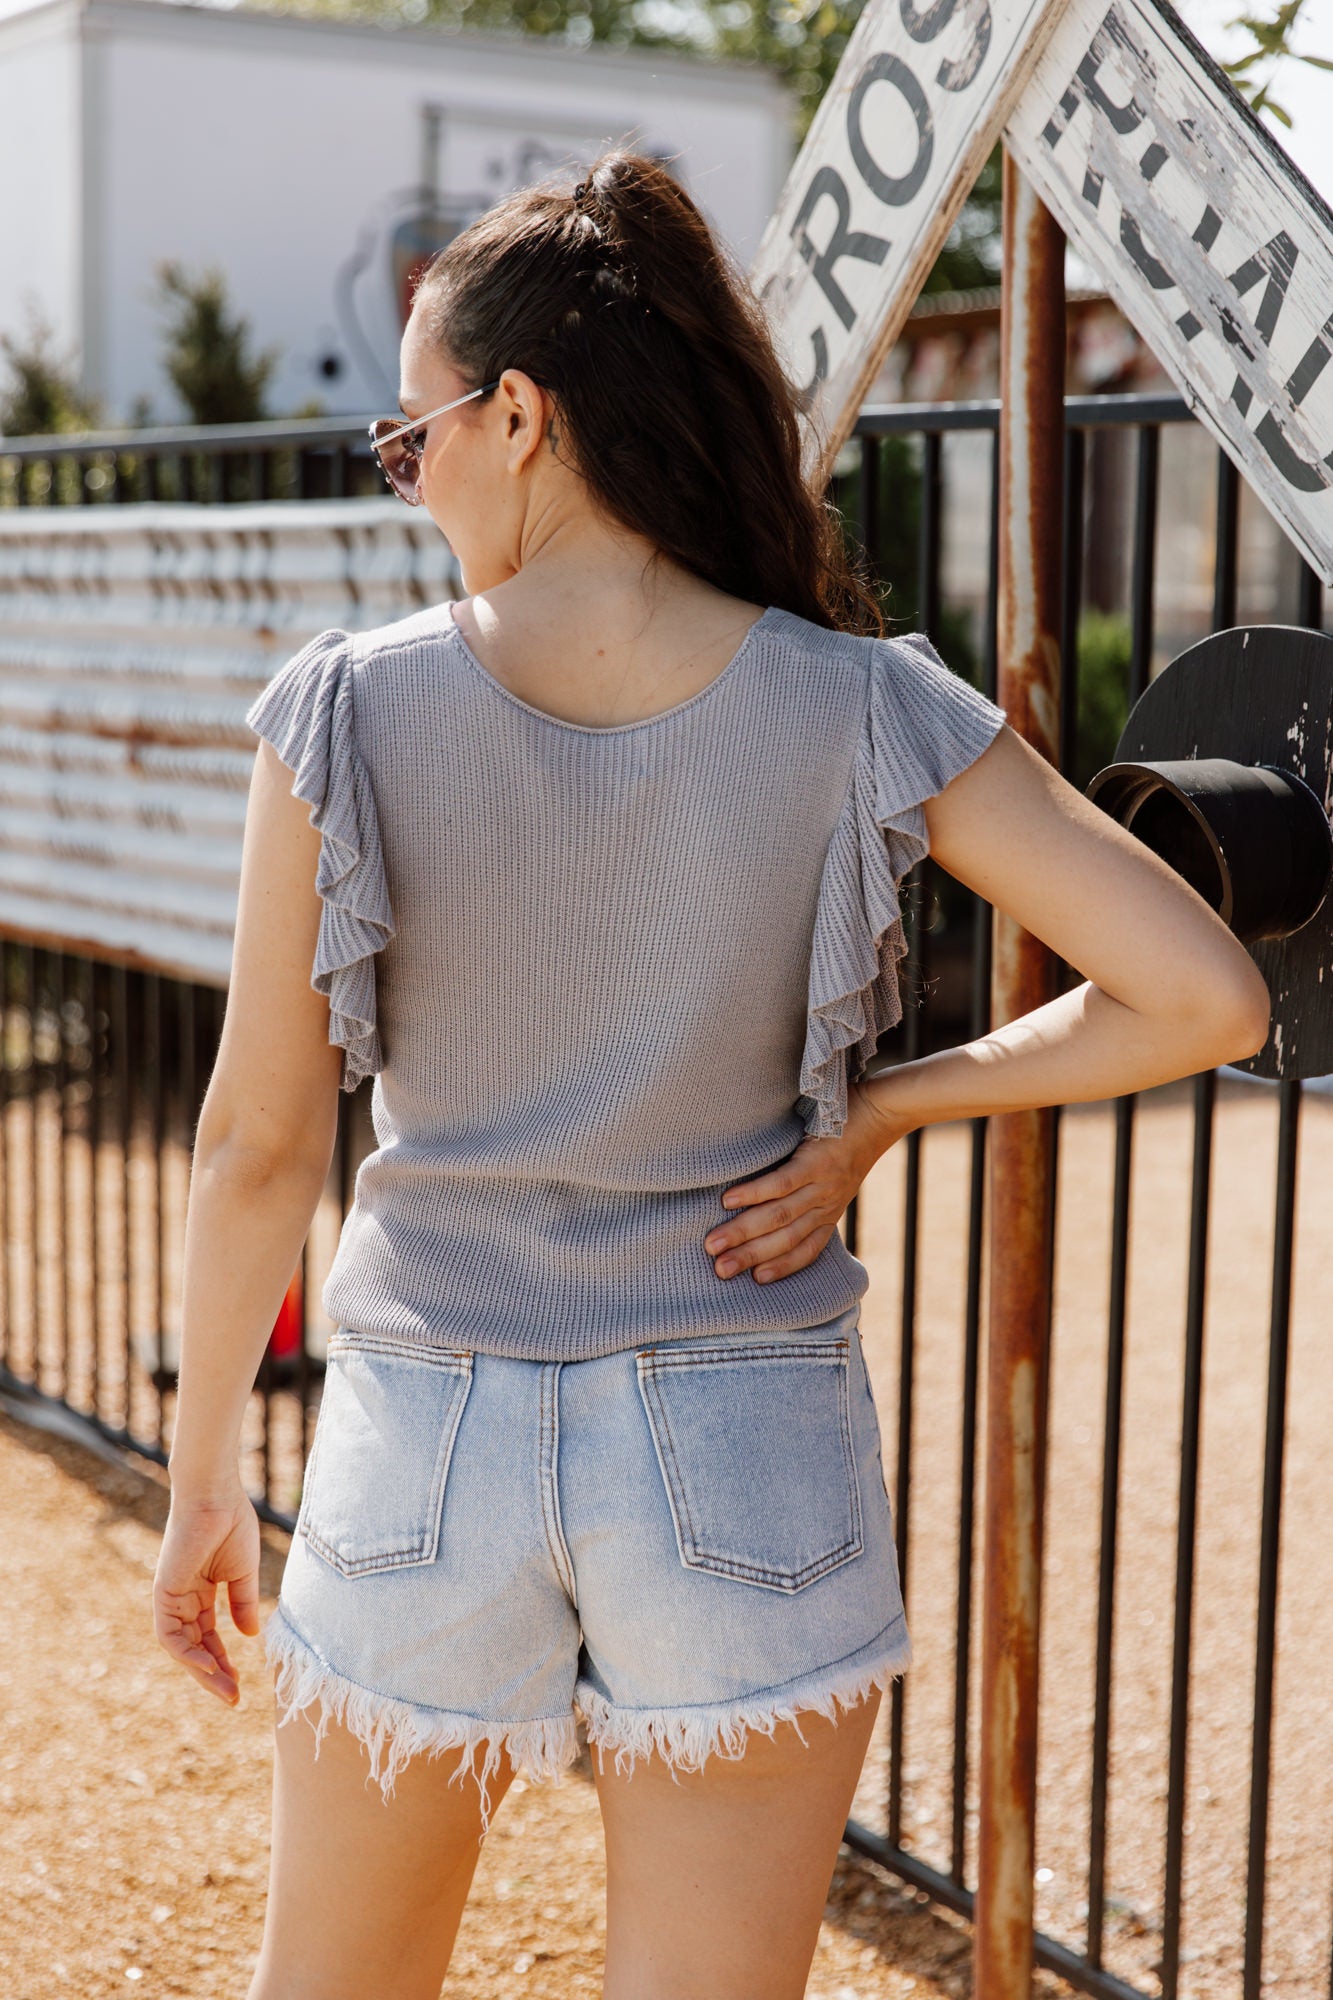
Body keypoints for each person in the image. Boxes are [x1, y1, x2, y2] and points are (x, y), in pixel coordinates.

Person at [151, 150, 1270, 1999]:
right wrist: (883, 1110)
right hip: (744, 1438)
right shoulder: (859, 701)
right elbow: (1204, 997)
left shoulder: (346, 709)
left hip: (424, 1431)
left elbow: (256, 1145)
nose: (409, 476)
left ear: (519, 414)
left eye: (412, 435)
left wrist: (203, 1482)